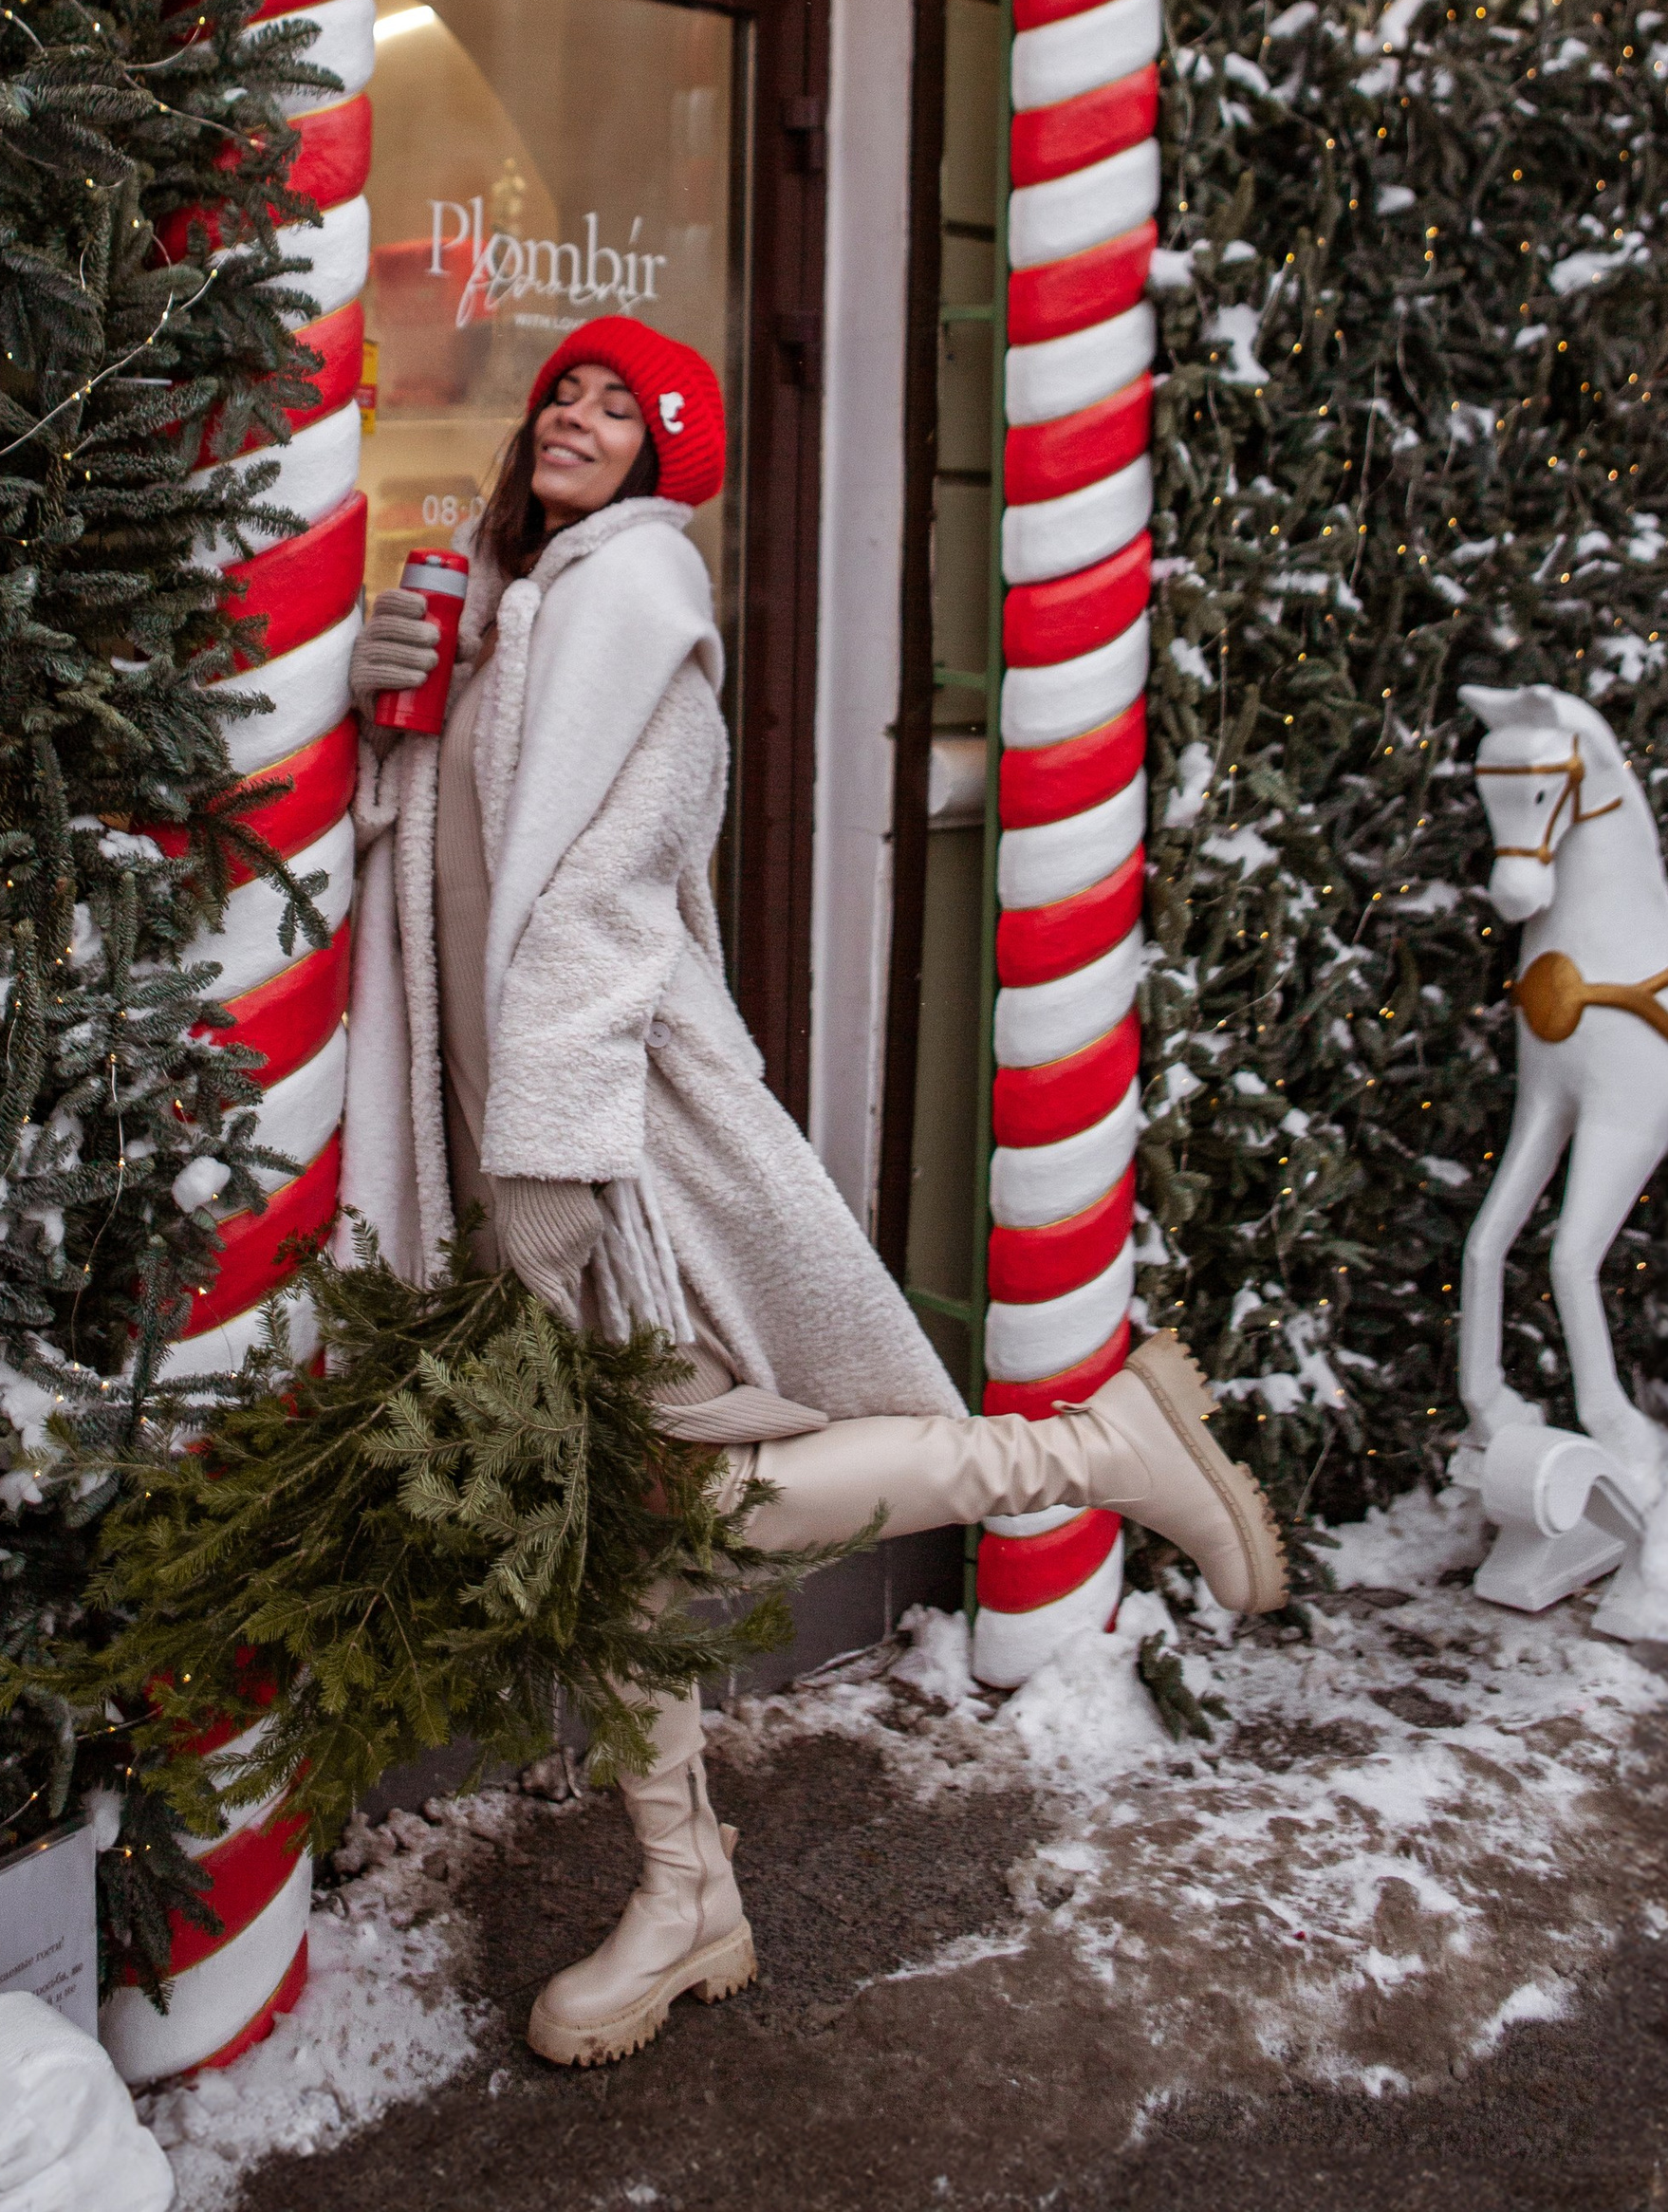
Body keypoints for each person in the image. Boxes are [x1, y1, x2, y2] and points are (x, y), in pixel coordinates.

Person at [342, 320, 1283, 2071]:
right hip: (514, 1149)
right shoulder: (506, 615)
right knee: (613, 1533)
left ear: (660, 462)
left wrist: (548, 1166)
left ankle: (1079, 1459)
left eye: (622, 412)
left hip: (610, 1156)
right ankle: (684, 1889)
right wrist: (391, 691)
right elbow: (439, 854)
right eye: (567, 394)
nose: (579, 420)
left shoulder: (647, 635)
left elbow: (609, 910)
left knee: (678, 1507)